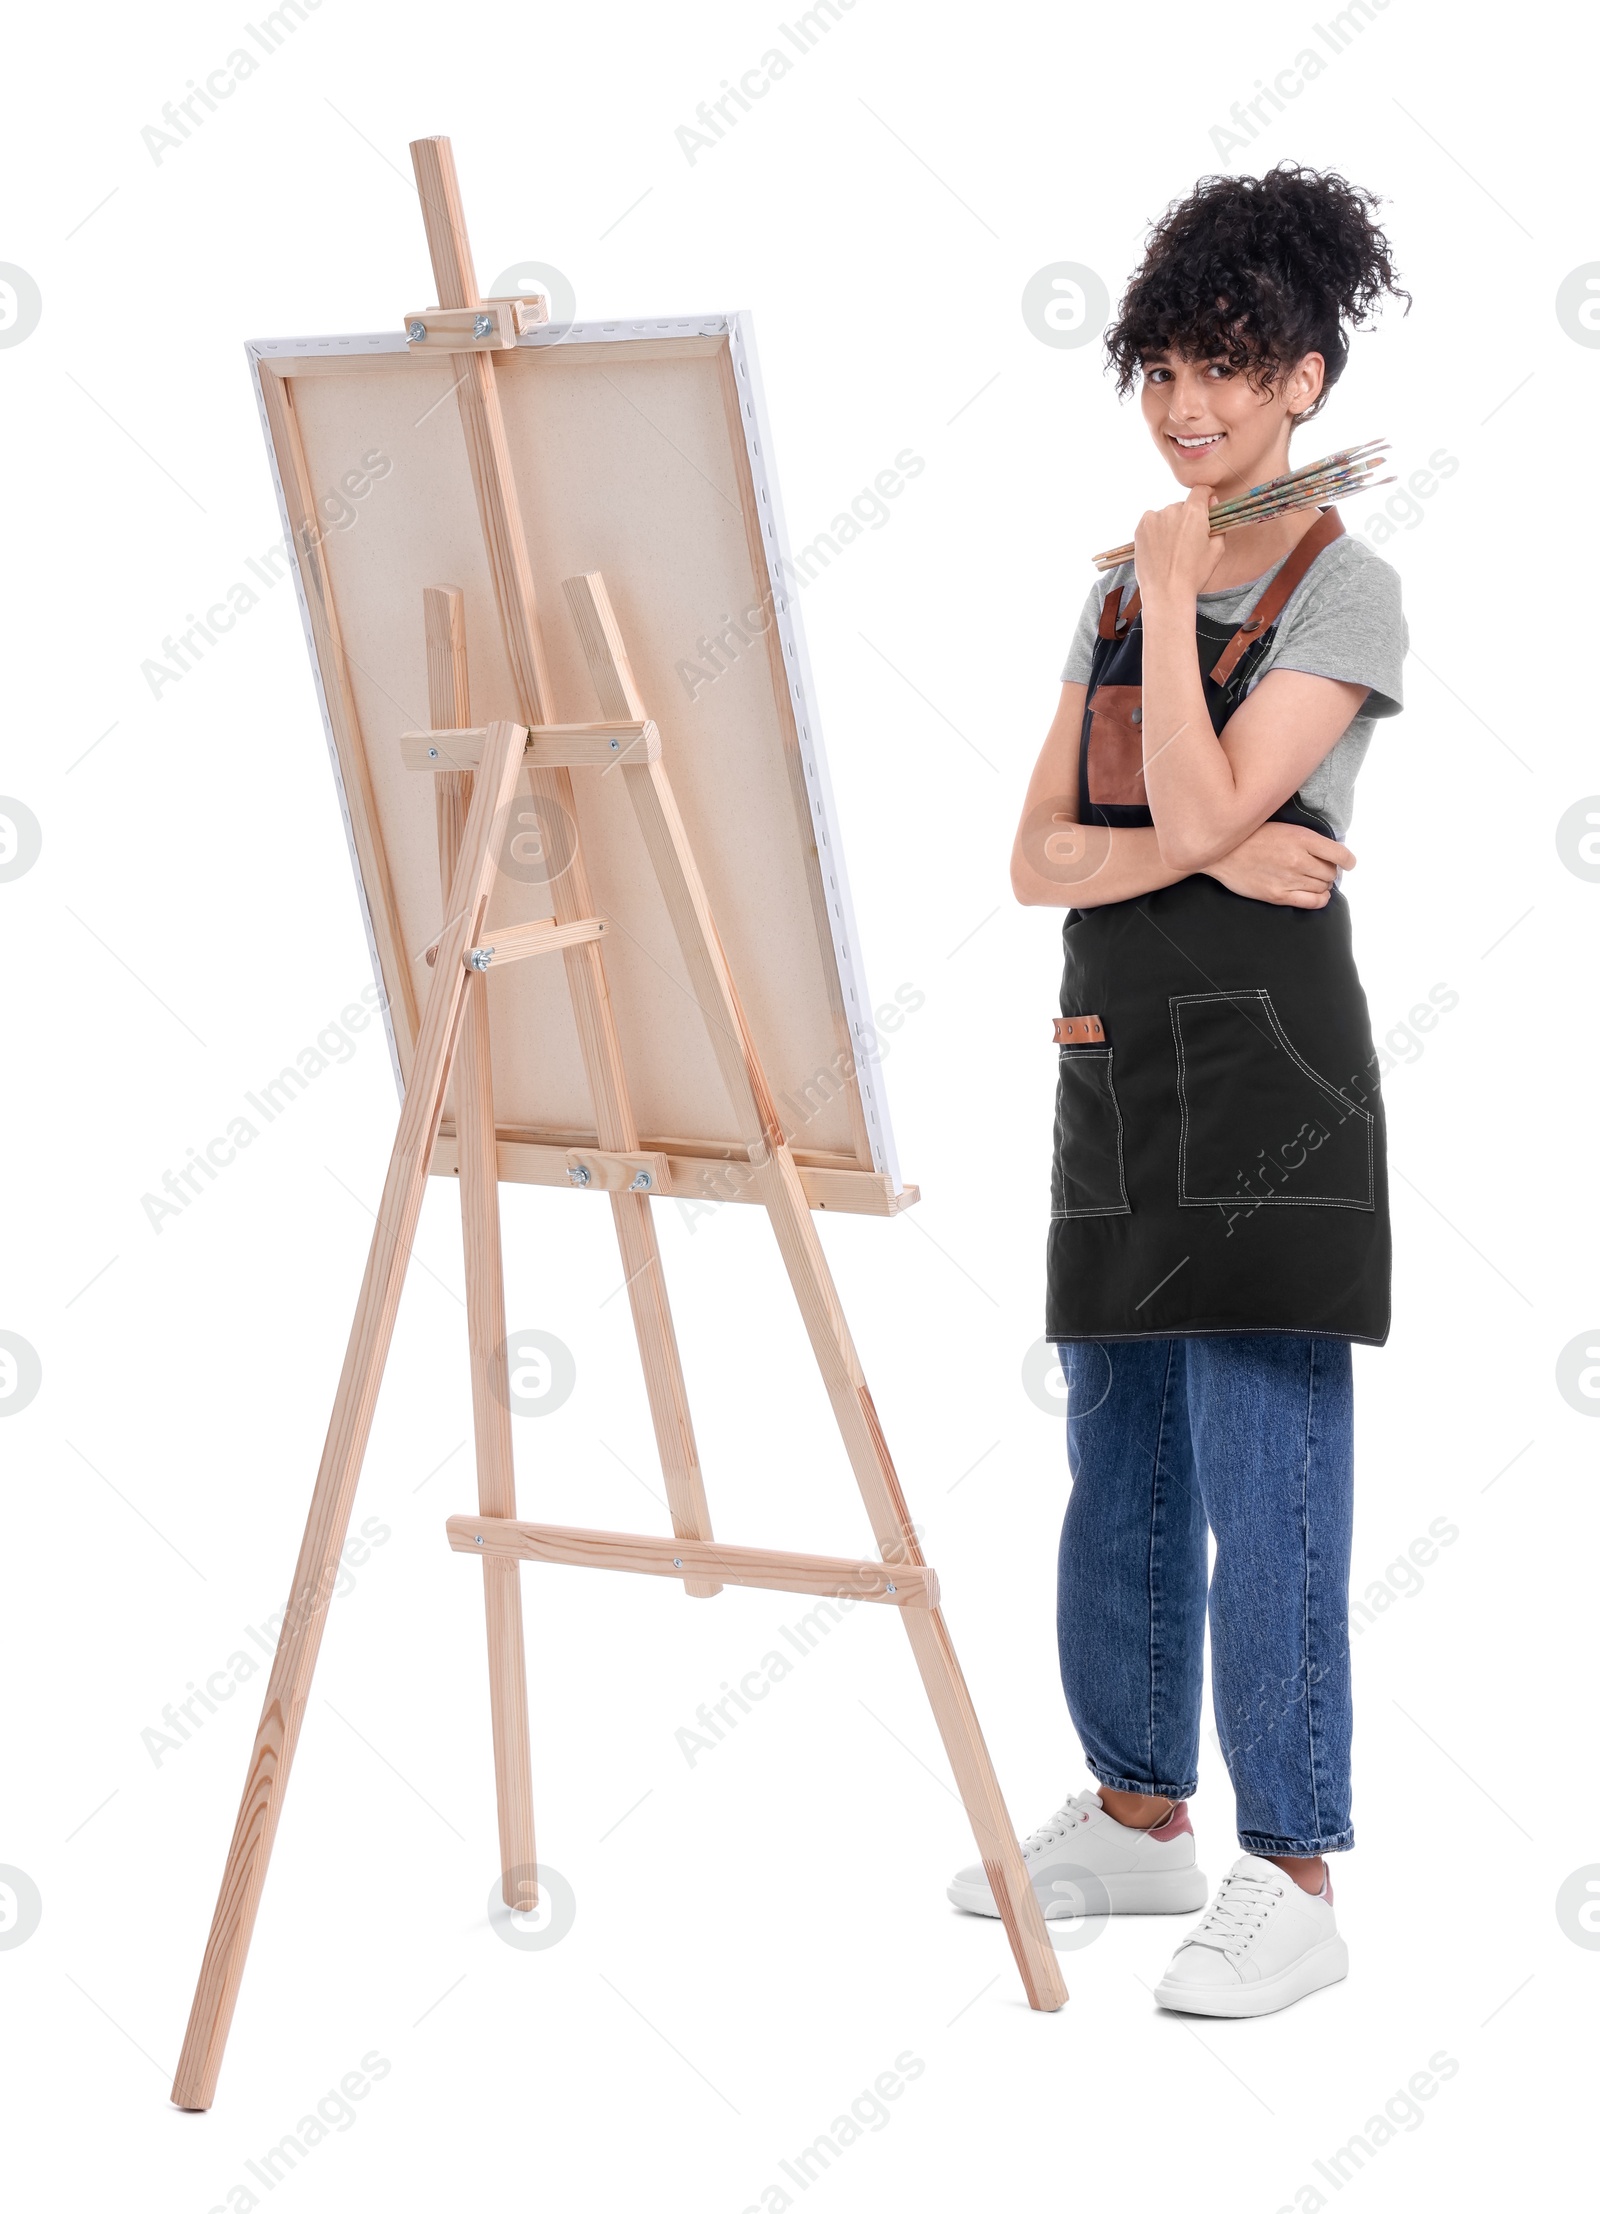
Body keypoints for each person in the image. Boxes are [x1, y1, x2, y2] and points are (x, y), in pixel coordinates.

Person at [948, 165, 1410, 2017]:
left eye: (1228, 371)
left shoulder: (1345, 582)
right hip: (1110, 1059)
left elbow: (1210, 804)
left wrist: (1160, 597)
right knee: (1115, 1455)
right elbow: (1035, 860)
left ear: (1304, 377)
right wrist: (1206, 846)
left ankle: (1289, 1862)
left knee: (1261, 1460)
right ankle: (1142, 1816)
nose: (1189, 409)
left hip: (1277, 1075)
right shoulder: (1114, 597)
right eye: (1161, 373)